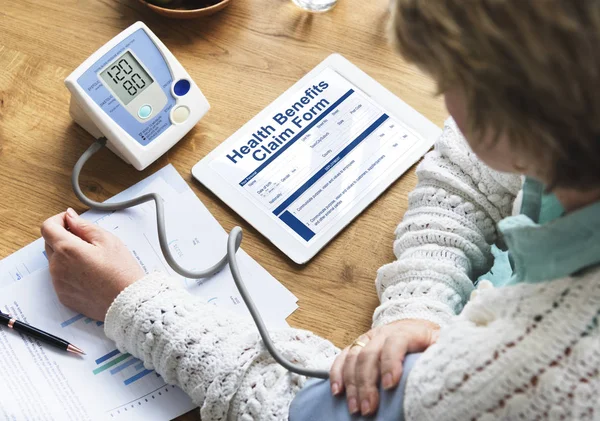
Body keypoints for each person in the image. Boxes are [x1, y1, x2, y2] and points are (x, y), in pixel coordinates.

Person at [41, 0, 600, 419]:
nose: (446, 103)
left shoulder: (536, 376)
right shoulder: (570, 115)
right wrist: (417, 310)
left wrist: (133, 304)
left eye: (450, 82)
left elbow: (304, 410)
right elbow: (469, 169)